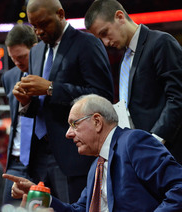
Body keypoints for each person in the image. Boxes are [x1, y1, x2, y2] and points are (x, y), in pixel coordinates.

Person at [4, 94, 182, 211]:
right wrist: (43, 197)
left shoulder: (133, 142)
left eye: (74, 124)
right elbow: (80, 209)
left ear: (97, 121)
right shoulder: (95, 168)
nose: (68, 133)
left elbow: (178, 187)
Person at [12, 0, 114, 203]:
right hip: (38, 156)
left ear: (60, 14)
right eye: (34, 26)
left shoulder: (86, 43)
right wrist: (25, 102)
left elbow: (102, 96)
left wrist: (50, 88)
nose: (39, 31)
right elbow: (40, 106)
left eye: (43, 24)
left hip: (73, 154)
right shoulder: (36, 51)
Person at [84, 0, 182, 164]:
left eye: (105, 32)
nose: (106, 42)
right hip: (143, 153)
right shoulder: (126, 58)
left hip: (169, 151)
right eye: (100, 38)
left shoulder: (161, 42)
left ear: (120, 17)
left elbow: (178, 97)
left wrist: (155, 140)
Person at [1, 23, 38, 205]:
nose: (17, 62)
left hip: (42, 159)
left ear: (35, 47)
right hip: (16, 159)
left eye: (22, 56)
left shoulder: (47, 74)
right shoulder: (9, 77)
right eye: (12, 58)